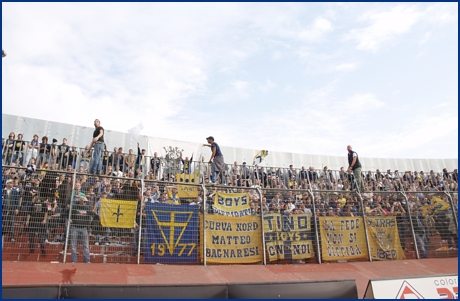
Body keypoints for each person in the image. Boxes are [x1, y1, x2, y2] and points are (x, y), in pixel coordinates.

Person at [69, 196, 92, 263]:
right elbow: (68, 213)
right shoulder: (74, 207)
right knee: (74, 245)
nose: (85, 203)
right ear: (80, 201)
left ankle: (87, 259)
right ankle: (74, 260)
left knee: (85, 245)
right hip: (75, 227)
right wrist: (70, 219)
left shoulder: (87, 208)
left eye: (86, 202)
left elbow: (91, 215)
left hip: (83, 228)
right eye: (84, 201)